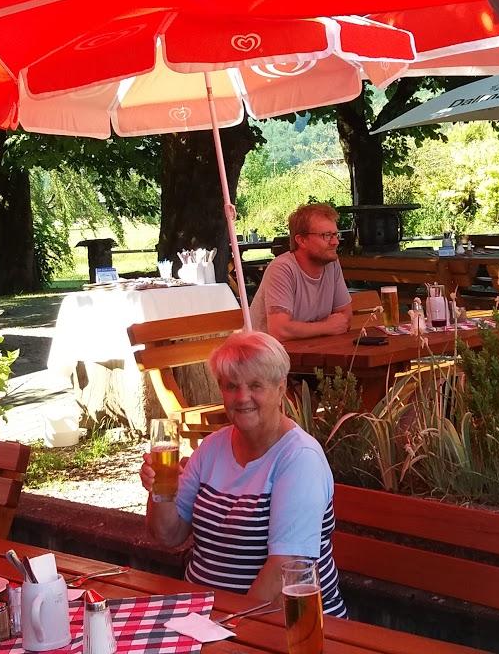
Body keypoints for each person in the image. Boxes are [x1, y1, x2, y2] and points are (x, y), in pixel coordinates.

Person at [141, 330, 346, 616]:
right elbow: (168, 535)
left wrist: (226, 626)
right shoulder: (212, 447)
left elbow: (283, 571)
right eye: (231, 386)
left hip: (280, 626)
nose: (242, 397)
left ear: (280, 388)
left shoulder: (299, 459)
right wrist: (161, 491)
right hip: (203, 616)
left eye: (255, 385)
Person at [249, 204, 352, 339]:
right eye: (326, 235)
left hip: (310, 350)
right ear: (301, 240)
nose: (335, 242)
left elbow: (345, 317)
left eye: (335, 234)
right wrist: (326, 326)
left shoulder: (331, 264)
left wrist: (307, 329)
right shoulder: (282, 268)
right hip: (267, 356)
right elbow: (279, 330)